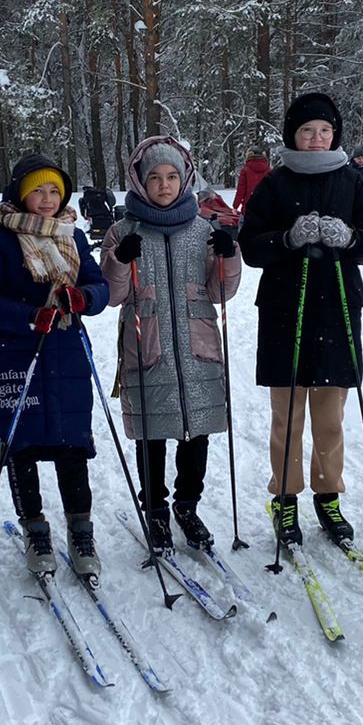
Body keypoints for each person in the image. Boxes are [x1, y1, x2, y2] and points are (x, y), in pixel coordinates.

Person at [238, 92, 363, 548]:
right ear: (293, 136)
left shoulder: (354, 181)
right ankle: (285, 497)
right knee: (287, 415)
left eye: (324, 130)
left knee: (330, 415)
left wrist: (350, 238)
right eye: (307, 131)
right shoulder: (276, 183)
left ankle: (328, 494)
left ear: (334, 133)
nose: (317, 138)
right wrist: (286, 238)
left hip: (337, 308)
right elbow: (251, 245)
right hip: (285, 309)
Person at [0, 155, 109, 582]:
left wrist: (83, 299)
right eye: (38, 191)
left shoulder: (74, 236)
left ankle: (81, 531)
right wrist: (29, 315)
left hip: (66, 355)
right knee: (21, 445)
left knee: (71, 444)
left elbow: (99, 286)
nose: (47, 199)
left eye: (54, 191)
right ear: (20, 194)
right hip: (16, 355)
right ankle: (35, 530)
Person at [100, 136, 241, 551]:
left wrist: (229, 255)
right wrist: (119, 259)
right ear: (141, 182)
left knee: (197, 432)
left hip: (199, 349)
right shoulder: (122, 229)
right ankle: (156, 510)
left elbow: (220, 292)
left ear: (185, 180)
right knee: (151, 435)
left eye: (172, 176)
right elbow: (112, 295)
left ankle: (187, 505)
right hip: (148, 347)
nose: (164, 184)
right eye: (156, 177)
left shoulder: (203, 229)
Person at [233, 148, 271, 214]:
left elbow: (241, 190)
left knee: (243, 223)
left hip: (249, 207)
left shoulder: (245, 170)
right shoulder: (269, 170)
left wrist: (235, 206)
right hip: (265, 208)